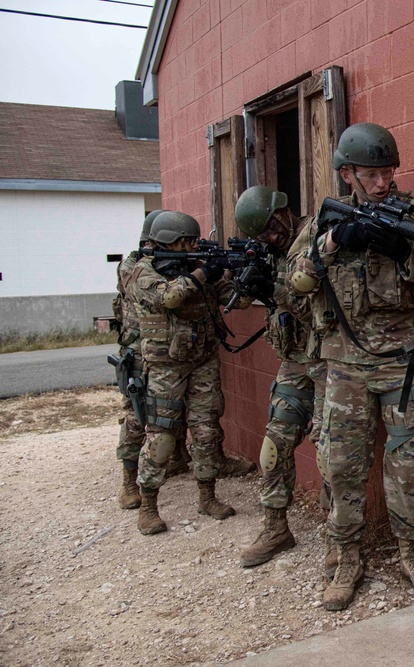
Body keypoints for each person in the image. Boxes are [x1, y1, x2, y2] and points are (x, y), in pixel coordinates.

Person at [287, 122, 414, 610]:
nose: (383, 183)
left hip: (404, 362)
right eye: (371, 174)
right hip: (343, 363)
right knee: (341, 466)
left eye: (388, 173)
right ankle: (346, 556)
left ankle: (413, 554)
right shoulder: (326, 221)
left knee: (409, 464)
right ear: (347, 175)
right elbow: (295, 283)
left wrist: (405, 254)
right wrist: (336, 241)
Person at [128, 211, 252, 535]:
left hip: (203, 361)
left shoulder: (195, 271)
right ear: (169, 242)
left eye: (194, 241)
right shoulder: (144, 271)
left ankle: (208, 496)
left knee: (206, 429)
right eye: (186, 242)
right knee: (162, 436)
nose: (192, 246)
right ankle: (148, 506)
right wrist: (201, 274)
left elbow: (236, 300)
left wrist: (245, 277)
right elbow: (169, 298)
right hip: (166, 366)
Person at [233, 185, 326, 568]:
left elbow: (316, 306)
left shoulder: (317, 236)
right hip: (293, 362)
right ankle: (275, 528)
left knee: (330, 452)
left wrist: (275, 289)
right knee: (274, 445)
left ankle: (340, 540)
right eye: (263, 234)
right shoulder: (272, 253)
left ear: (284, 210)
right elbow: (238, 301)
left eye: (273, 228)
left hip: (327, 360)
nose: (272, 237)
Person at [111, 209, 162, 510]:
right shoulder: (133, 267)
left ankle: (176, 459)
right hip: (137, 353)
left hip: (161, 350)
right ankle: (128, 480)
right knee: (136, 417)